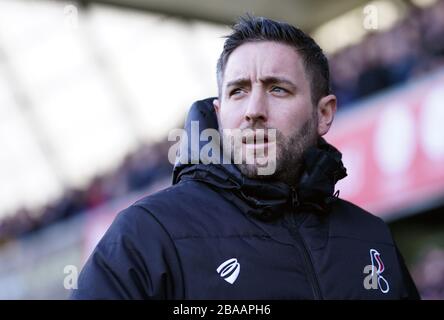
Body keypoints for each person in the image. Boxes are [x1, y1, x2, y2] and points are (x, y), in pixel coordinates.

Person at [71, 15, 420, 300]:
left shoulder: (372, 238)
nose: (254, 111)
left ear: (324, 113)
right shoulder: (147, 233)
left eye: (277, 89)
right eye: (238, 91)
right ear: (220, 113)